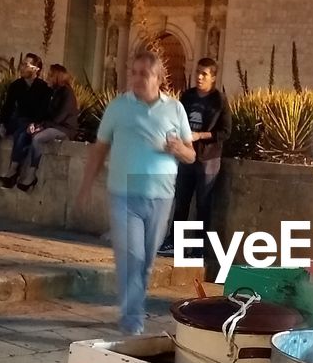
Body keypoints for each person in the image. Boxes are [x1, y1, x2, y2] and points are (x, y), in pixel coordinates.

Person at [76, 49, 194, 335]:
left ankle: (133, 309)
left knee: (146, 262)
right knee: (131, 257)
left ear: (158, 78)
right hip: (124, 194)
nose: (137, 78)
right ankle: (132, 321)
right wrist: (86, 186)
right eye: (134, 72)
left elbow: (191, 155)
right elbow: (100, 148)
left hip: (162, 197)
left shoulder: (175, 109)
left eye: (145, 73)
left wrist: (179, 149)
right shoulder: (118, 107)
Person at [160, 57, 232, 259]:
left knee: (203, 204)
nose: (199, 77)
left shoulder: (220, 100)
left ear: (213, 77)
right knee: (181, 201)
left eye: (204, 74)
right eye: (198, 72)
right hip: (186, 156)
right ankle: (174, 242)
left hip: (208, 159)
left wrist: (200, 135)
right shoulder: (188, 97)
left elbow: (225, 132)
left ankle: (198, 249)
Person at [0, 53, 51, 186]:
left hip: (29, 121)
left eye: (26, 65)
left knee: (20, 135)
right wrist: (2, 124)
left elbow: (44, 110)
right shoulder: (16, 85)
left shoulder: (44, 88)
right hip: (15, 119)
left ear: (36, 69)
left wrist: (35, 124)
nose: (22, 67)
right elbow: (8, 106)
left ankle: (12, 171)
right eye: (22, 64)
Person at [9, 63, 79, 192]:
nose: (47, 77)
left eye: (51, 75)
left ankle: (31, 174)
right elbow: (45, 114)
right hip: (53, 125)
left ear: (57, 77)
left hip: (65, 128)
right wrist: (36, 125)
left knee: (38, 138)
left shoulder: (67, 93)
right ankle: (15, 169)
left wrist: (42, 127)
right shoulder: (54, 92)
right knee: (27, 134)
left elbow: (60, 117)